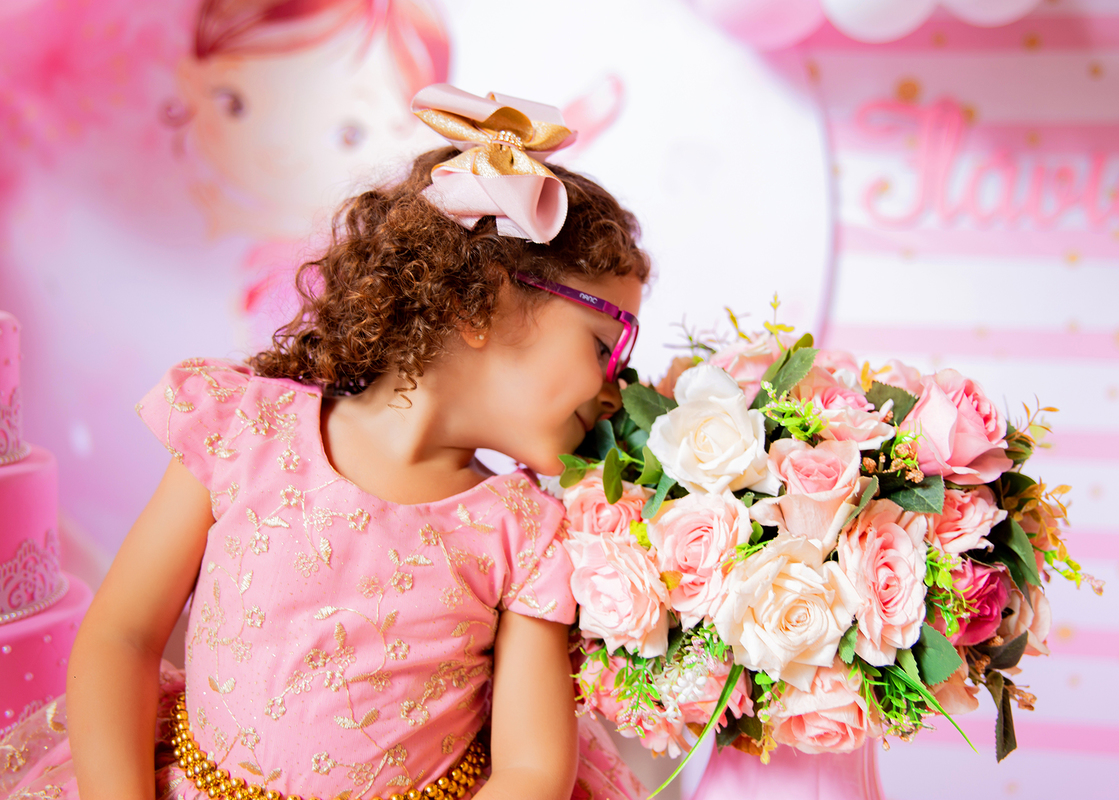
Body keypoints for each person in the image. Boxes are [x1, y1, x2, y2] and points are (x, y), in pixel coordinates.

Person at [0, 85, 651, 800]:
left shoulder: (525, 533)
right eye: (603, 346)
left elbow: (531, 769)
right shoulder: (242, 429)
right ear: (478, 304)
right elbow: (121, 637)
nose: (616, 390)